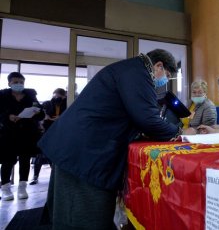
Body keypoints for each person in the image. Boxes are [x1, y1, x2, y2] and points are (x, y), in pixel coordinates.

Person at [38, 49, 183, 229]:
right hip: (84, 152)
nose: (164, 82)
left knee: (77, 211)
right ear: (158, 65)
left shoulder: (130, 69)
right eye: (167, 76)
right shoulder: (138, 72)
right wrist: (179, 133)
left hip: (81, 146)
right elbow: (147, 118)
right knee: (80, 216)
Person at [0, 72, 44, 201]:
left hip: (27, 133)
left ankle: (22, 187)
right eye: (15, 82)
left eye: (21, 82)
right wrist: (8, 116)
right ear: (9, 83)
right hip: (8, 133)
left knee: (25, 159)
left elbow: (40, 113)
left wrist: (36, 112)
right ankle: (6, 188)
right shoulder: (2, 96)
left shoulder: (31, 95)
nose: (18, 85)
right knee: (7, 161)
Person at [30, 88, 68, 185]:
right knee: (40, 155)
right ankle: (35, 176)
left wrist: (62, 118)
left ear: (64, 97)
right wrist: (44, 117)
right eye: (55, 96)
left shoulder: (67, 104)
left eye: (60, 97)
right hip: (46, 131)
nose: (57, 98)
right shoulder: (47, 104)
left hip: (60, 132)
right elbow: (38, 115)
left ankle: (54, 176)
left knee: (54, 156)